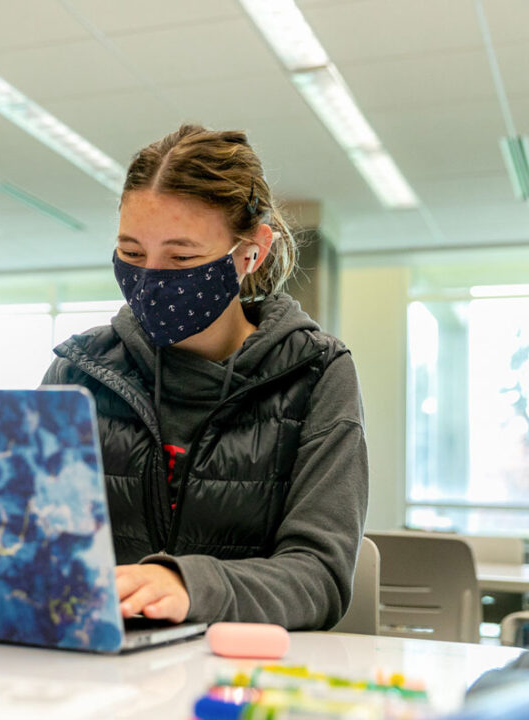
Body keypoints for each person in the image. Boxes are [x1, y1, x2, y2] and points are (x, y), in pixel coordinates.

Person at [41, 124, 368, 630]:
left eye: (182, 257)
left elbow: (318, 576)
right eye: (132, 253)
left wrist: (188, 585)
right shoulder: (79, 371)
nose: (149, 278)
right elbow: (31, 541)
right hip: (99, 656)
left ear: (252, 252)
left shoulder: (316, 373)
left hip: (237, 666)